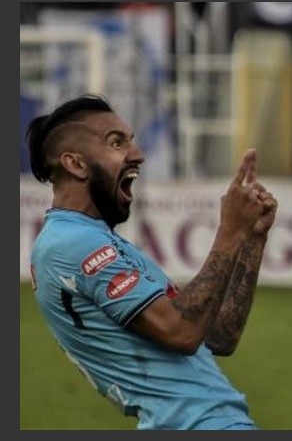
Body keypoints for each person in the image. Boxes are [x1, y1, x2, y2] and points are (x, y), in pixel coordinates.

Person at [27, 94, 278, 430]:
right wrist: (230, 230)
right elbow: (182, 332)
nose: (138, 154)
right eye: (117, 142)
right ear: (75, 164)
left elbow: (217, 337)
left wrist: (250, 239)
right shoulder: (73, 243)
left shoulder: (91, 238)